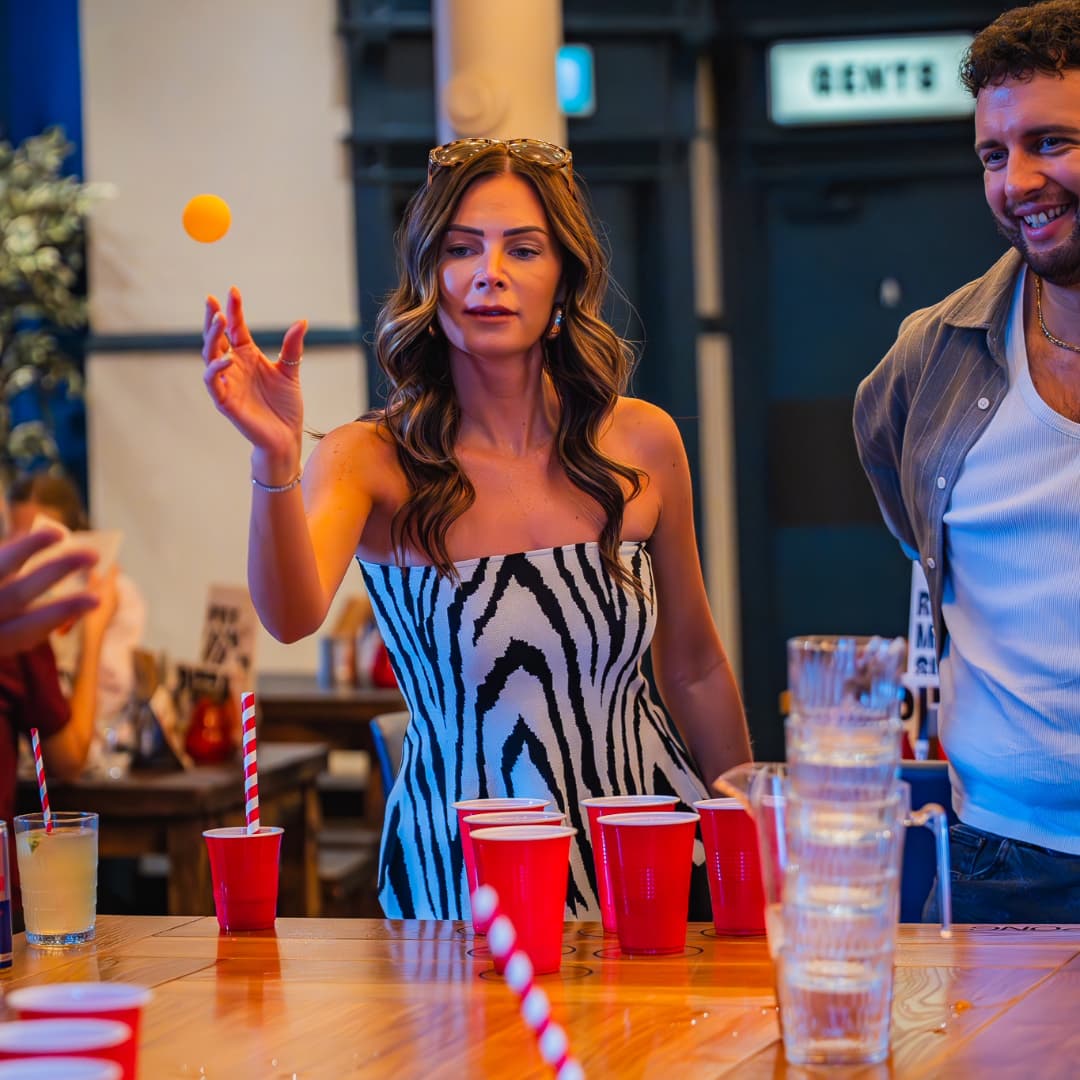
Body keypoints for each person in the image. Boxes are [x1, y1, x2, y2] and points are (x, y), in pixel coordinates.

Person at [202, 137, 752, 919]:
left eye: (523, 249)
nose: (490, 272)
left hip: (648, 852)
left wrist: (753, 854)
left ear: (564, 278)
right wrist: (275, 455)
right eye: (462, 248)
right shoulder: (371, 457)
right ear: (432, 276)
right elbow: (289, 617)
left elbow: (694, 668)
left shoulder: (642, 440)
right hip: (459, 871)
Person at [855, 0, 1080, 923]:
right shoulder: (930, 356)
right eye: (995, 154)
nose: (1019, 181)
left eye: (1052, 143)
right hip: (1000, 855)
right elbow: (909, 516)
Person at [8, 473, 146, 737]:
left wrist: (95, 627)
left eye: (40, 542)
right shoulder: (11, 609)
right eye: (15, 539)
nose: (25, 557)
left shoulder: (114, 595)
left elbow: (109, 706)